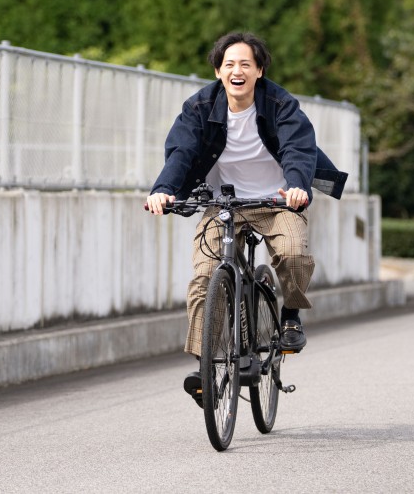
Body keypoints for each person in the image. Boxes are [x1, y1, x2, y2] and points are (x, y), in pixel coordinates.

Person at [145, 31, 348, 404]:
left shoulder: (280, 104)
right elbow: (181, 152)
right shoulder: (199, 107)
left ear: (259, 70)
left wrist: (298, 186)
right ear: (219, 71)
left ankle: (289, 314)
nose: (237, 71)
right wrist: (163, 189)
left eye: (245, 64)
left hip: (277, 200)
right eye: (229, 64)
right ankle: (205, 365)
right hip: (223, 204)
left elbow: (297, 148)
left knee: (294, 253)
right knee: (206, 276)